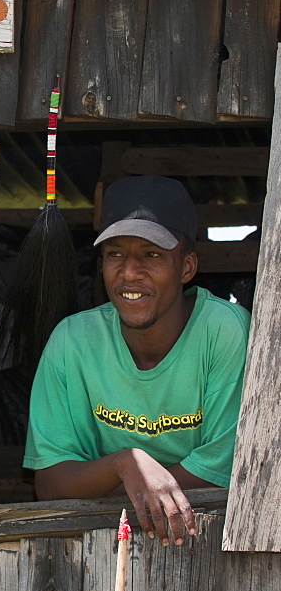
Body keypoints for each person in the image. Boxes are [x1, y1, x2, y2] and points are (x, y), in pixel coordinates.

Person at [23, 175, 250, 547]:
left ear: (187, 267)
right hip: (100, 549)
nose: (129, 272)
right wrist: (124, 464)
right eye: (115, 253)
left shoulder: (225, 332)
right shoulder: (73, 341)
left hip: (212, 543)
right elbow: (50, 483)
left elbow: (226, 471)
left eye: (151, 255)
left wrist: (112, 492)